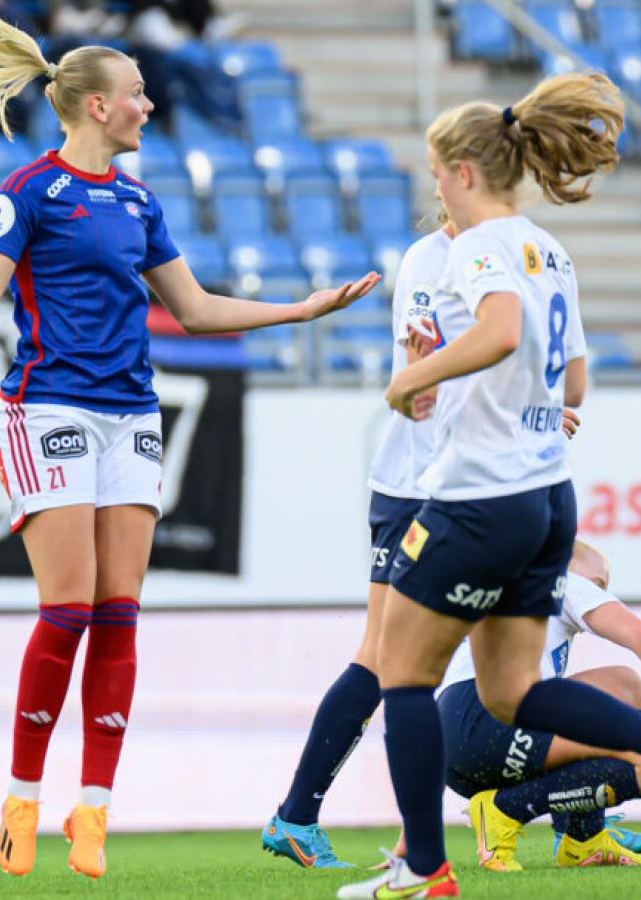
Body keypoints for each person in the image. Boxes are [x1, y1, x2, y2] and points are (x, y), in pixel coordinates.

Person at [0, 11, 380, 881]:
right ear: (97, 107)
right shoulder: (30, 189)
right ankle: (21, 797)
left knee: (119, 613)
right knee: (67, 611)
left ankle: (94, 809)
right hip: (48, 407)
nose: (150, 106)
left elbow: (195, 308)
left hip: (132, 416)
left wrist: (299, 309)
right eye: (138, 95)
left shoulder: (140, 201)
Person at [337, 72, 641, 900]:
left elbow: (500, 331)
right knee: (514, 689)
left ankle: (425, 872)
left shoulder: (478, 246)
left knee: (403, 677)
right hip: (546, 498)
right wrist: (484, 389)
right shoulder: (546, 249)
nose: (434, 186)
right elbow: (577, 381)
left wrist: (411, 379)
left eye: (435, 171)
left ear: (462, 171)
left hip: (477, 499)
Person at [261, 216, 455, 870]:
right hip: (419, 485)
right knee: (391, 659)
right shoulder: (433, 260)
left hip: (454, 482)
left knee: (398, 659)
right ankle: (403, 839)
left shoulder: (501, 253)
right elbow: (419, 376)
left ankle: (301, 817)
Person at [442, 540, 641, 871]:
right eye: (601, 585)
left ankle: (582, 838)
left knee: (623, 687)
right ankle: (505, 810)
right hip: (487, 721)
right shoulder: (563, 582)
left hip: (451, 746)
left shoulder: (500, 596)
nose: (602, 592)